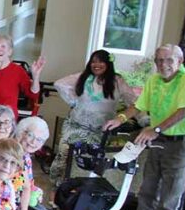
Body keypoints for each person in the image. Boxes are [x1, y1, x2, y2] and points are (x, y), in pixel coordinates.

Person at [105, 43, 185, 210]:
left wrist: (155, 130)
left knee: (170, 196)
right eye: (159, 60)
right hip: (159, 140)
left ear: (180, 61)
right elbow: (139, 106)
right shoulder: (154, 80)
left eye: (169, 60)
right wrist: (120, 118)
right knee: (148, 190)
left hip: (180, 143)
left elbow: (182, 112)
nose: (163, 64)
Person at [50, 50, 134, 182]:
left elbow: (133, 101)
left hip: (99, 130)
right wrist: (74, 101)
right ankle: (58, 188)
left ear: (108, 63)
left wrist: (126, 118)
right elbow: (59, 84)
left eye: (101, 61)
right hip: (75, 126)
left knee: (88, 160)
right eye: (93, 61)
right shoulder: (83, 77)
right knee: (65, 153)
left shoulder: (117, 81)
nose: (96, 64)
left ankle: (78, 189)